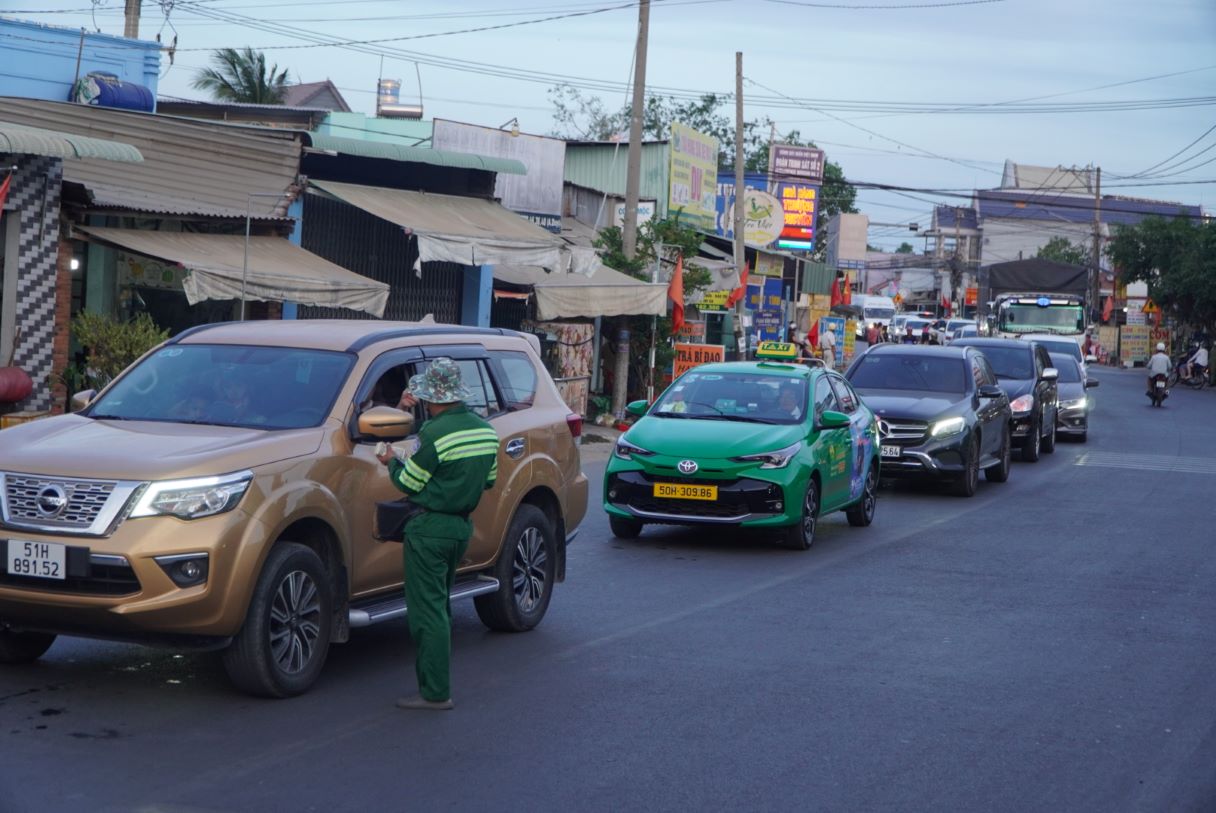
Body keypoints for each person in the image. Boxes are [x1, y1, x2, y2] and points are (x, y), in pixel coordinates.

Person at [376, 359, 499, 711]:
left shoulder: (434, 433)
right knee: (440, 606)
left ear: (433, 399)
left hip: (430, 530)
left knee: (427, 613)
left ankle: (435, 692)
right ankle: (436, 685)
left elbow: (408, 483)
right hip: (460, 529)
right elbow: (488, 480)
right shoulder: (485, 431)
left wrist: (392, 462)